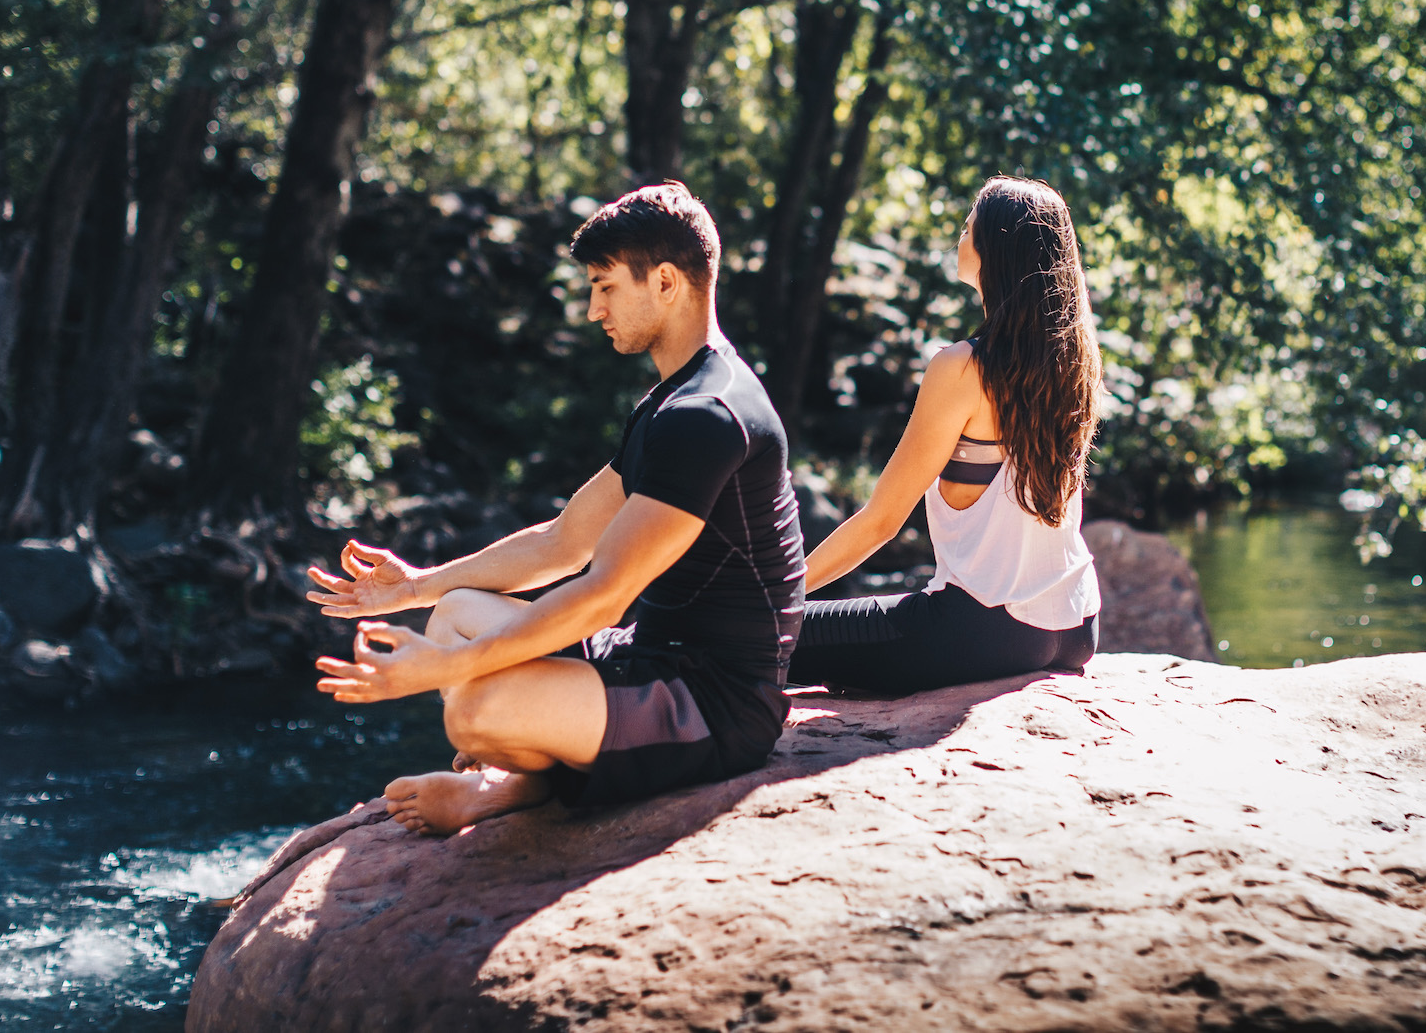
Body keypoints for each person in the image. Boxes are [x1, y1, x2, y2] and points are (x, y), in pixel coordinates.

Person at [306, 181, 805, 834]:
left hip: (716, 705)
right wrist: (414, 588)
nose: (594, 308)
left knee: (474, 711)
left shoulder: (708, 414)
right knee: (454, 611)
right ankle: (525, 773)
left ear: (664, 282)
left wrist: (442, 670)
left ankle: (516, 784)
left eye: (604, 285)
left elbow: (602, 594)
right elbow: (562, 541)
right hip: (649, 657)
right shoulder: (670, 402)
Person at [787, 176, 1101, 694]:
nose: (960, 237)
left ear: (994, 248)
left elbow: (882, 521)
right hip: (1074, 624)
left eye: (968, 227)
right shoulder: (1074, 363)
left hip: (986, 627)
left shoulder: (962, 368)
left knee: (758, 637)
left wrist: (775, 598)